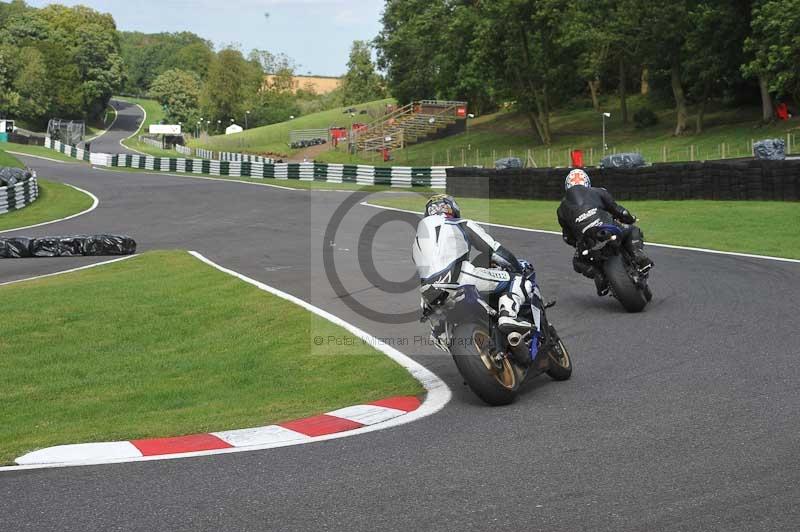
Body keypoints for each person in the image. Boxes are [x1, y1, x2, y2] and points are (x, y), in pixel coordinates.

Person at [412, 194, 543, 338]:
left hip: (428, 295)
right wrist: (518, 268)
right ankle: (508, 316)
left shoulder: (418, 241)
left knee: (438, 326)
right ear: (453, 209)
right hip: (458, 278)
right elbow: (495, 251)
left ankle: (441, 333)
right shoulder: (460, 223)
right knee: (517, 280)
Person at [557, 169, 654, 296]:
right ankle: (638, 255)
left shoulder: (561, 209)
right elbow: (619, 210)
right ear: (587, 182)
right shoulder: (597, 191)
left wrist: (577, 244)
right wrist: (630, 219)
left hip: (587, 241)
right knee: (632, 230)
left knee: (578, 262)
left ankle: (599, 276)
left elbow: (567, 237)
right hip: (607, 227)